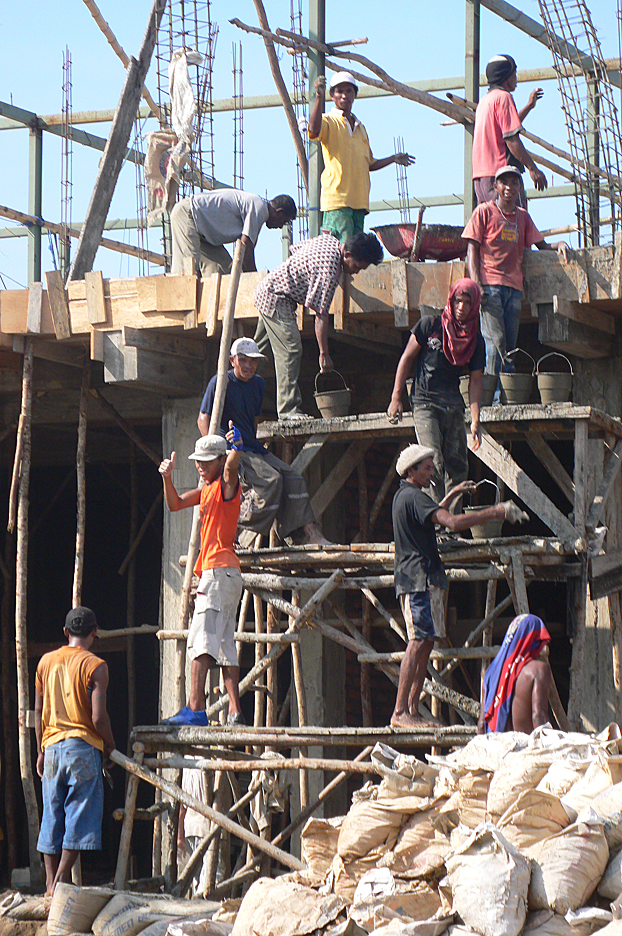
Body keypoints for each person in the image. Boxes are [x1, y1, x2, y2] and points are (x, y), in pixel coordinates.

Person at [391, 443, 529, 729]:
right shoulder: (413, 497)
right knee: (416, 643)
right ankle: (400, 712)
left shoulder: (408, 497)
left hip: (423, 578)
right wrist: (496, 511)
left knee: (426, 642)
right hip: (418, 580)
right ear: (411, 471)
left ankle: (412, 710)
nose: (432, 472)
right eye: (427, 467)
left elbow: (432, 517)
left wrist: (453, 493)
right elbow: (452, 523)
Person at [198, 337, 328, 546]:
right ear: (232, 360)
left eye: (253, 361)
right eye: (243, 360)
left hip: (253, 446)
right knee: (272, 480)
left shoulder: (258, 383)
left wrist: (256, 446)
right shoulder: (221, 382)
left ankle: (309, 535)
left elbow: (254, 420)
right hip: (233, 450)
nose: (249, 365)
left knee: (294, 479)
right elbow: (203, 418)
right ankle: (234, 525)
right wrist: (215, 452)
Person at [159, 432, 245, 726]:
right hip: (228, 573)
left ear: (220, 460)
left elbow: (232, 468)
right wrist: (167, 478)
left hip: (217, 572)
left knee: (201, 640)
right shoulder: (207, 489)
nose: (201, 466)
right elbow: (175, 504)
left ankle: (195, 709)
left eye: (208, 461)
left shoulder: (226, 484)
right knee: (224, 643)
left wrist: (236, 449)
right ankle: (235, 711)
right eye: (198, 461)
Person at [253, 231, 384, 419]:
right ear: (346, 254)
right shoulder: (330, 271)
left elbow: (294, 248)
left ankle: (228, 389)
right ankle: (288, 411)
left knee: (257, 354)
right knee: (291, 350)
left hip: (269, 290)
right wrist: (324, 354)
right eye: (356, 266)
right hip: (277, 298)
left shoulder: (329, 240)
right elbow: (320, 316)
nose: (356, 272)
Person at [35, 606, 116, 895]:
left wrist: (41, 750)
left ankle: (49, 885)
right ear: (94, 633)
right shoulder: (96, 666)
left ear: (66, 633)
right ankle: (59, 882)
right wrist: (109, 744)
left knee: (52, 815)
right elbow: (97, 717)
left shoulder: (46, 662)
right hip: (82, 749)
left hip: (53, 747)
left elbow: (38, 711)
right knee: (79, 817)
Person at [387, 278, 485, 505]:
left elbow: (476, 381)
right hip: (425, 402)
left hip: (453, 403)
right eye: (458, 301)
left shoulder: (475, 339)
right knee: (433, 462)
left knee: (458, 463)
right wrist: (396, 397)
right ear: (451, 301)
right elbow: (406, 359)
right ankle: (435, 522)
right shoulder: (430, 325)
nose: (461, 307)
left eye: (467, 303)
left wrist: (476, 418)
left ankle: (452, 524)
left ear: (474, 306)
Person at [463, 165, 568, 376]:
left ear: (520, 187)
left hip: (514, 289)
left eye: (514, 183)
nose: (509, 187)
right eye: (504, 183)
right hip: (490, 287)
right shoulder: (483, 212)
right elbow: (472, 249)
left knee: (510, 345)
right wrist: (477, 284)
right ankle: (492, 396)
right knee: (495, 342)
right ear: (495, 187)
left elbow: (542, 246)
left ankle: (507, 395)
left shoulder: (522, 217)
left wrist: (560, 244)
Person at [308, 71, 415, 242]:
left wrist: (393, 158)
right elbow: (313, 130)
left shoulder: (360, 128)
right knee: (340, 252)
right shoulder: (328, 121)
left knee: (355, 255)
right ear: (332, 95)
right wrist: (319, 98)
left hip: (359, 202)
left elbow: (369, 163)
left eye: (349, 91)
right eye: (339, 91)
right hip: (337, 201)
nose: (344, 95)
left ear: (355, 94)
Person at [472, 54, 547, 208]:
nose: (516, 78)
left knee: (491, 226)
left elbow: (506, 126)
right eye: (514, 74)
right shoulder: (504, 97)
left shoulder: (485, 101)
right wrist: (533, 169)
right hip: (502, 176)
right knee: (513, 224)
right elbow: (511, 139)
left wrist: (529, 106)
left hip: (481, 178)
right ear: (506, 76)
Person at [170, 189, 297, 277]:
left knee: (223, 272)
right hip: (188, 215)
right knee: (186, 270)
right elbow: (245, 247)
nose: (281, 226)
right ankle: (177, 310)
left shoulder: (258, 209)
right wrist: (256, 282)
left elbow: (244, 251)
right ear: (279, 212)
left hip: (205, 233)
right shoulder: (259, 207)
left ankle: (216, 312)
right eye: (284, 221)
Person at [478, 613, 553, 733]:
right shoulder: (538, 670)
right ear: (531, 640)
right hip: (524, 747)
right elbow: (539, 716)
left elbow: (482, 724)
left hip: (497, 746)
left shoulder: (490, 673)